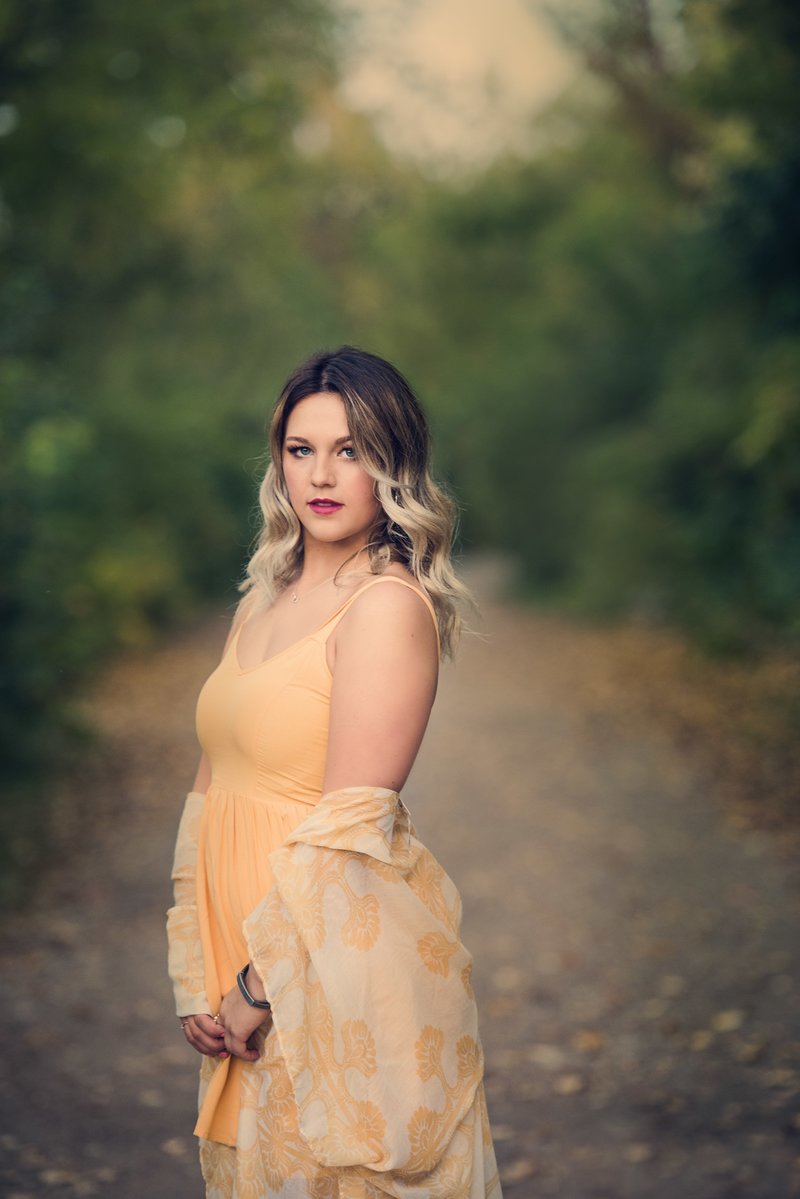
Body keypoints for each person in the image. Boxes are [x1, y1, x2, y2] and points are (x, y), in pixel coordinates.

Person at [167, 346, 502, 1197]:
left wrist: (257, 984)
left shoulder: (386, 609)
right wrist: (194, 970)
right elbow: (210, 791)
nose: (321, 472)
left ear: (391, 463)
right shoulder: (262, 597)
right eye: (300, 447)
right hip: (244, 962)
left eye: (351, 449)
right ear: (278, 458)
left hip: (320, 969)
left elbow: (347, 836)